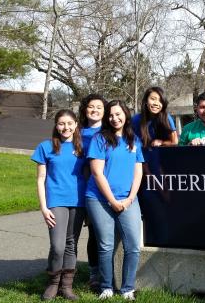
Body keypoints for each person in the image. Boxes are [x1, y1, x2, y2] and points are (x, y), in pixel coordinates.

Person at [85, 100, 144, 300]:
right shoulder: (99, 139)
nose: (114, 118)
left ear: (126, 115)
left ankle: (128, 288)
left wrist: (129, 199)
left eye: (118, 114)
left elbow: (138, 173)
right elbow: (97, 173)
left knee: (133, 246)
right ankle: (106, 287)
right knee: (106, 245)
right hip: (99, 200)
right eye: (110, 115)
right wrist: (111, 200)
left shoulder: (134, 140)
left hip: (128, 200)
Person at [31, 109, 86, 300]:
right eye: (61, 123)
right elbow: (40, 179)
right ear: (56, 125)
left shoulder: (82, 148)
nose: (66, 127)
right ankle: (53, 283)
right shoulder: (45, 147)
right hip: (55, 201)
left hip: (78, 202)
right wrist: (43, 207)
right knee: (58, 246)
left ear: (76, 125)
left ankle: (66, 286)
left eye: (70, 123)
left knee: (71, 244)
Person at [78, 93, 107, 291]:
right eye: (91, 106)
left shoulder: (110, 131)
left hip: (106, 188)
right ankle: (93, 274)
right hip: (83, 189)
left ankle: (108, 273)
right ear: (85, 109)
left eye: (99, 107)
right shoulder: (76, 133)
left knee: (103, 234)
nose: (94, 110)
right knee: (93, 234)